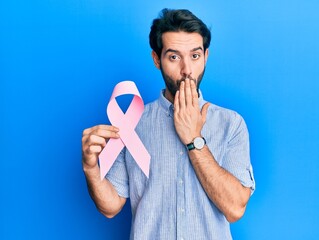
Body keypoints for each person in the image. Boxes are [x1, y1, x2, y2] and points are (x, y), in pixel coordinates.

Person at [82, 8, 255, 240]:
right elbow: (110, 206)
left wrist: (194, 140)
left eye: (195, 56)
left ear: (206, 56)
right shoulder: (131, 123)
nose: (187, 70)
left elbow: (235, 209)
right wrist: (90, 168)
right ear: (157, 59)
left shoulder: (231, 124)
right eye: (174, 57)